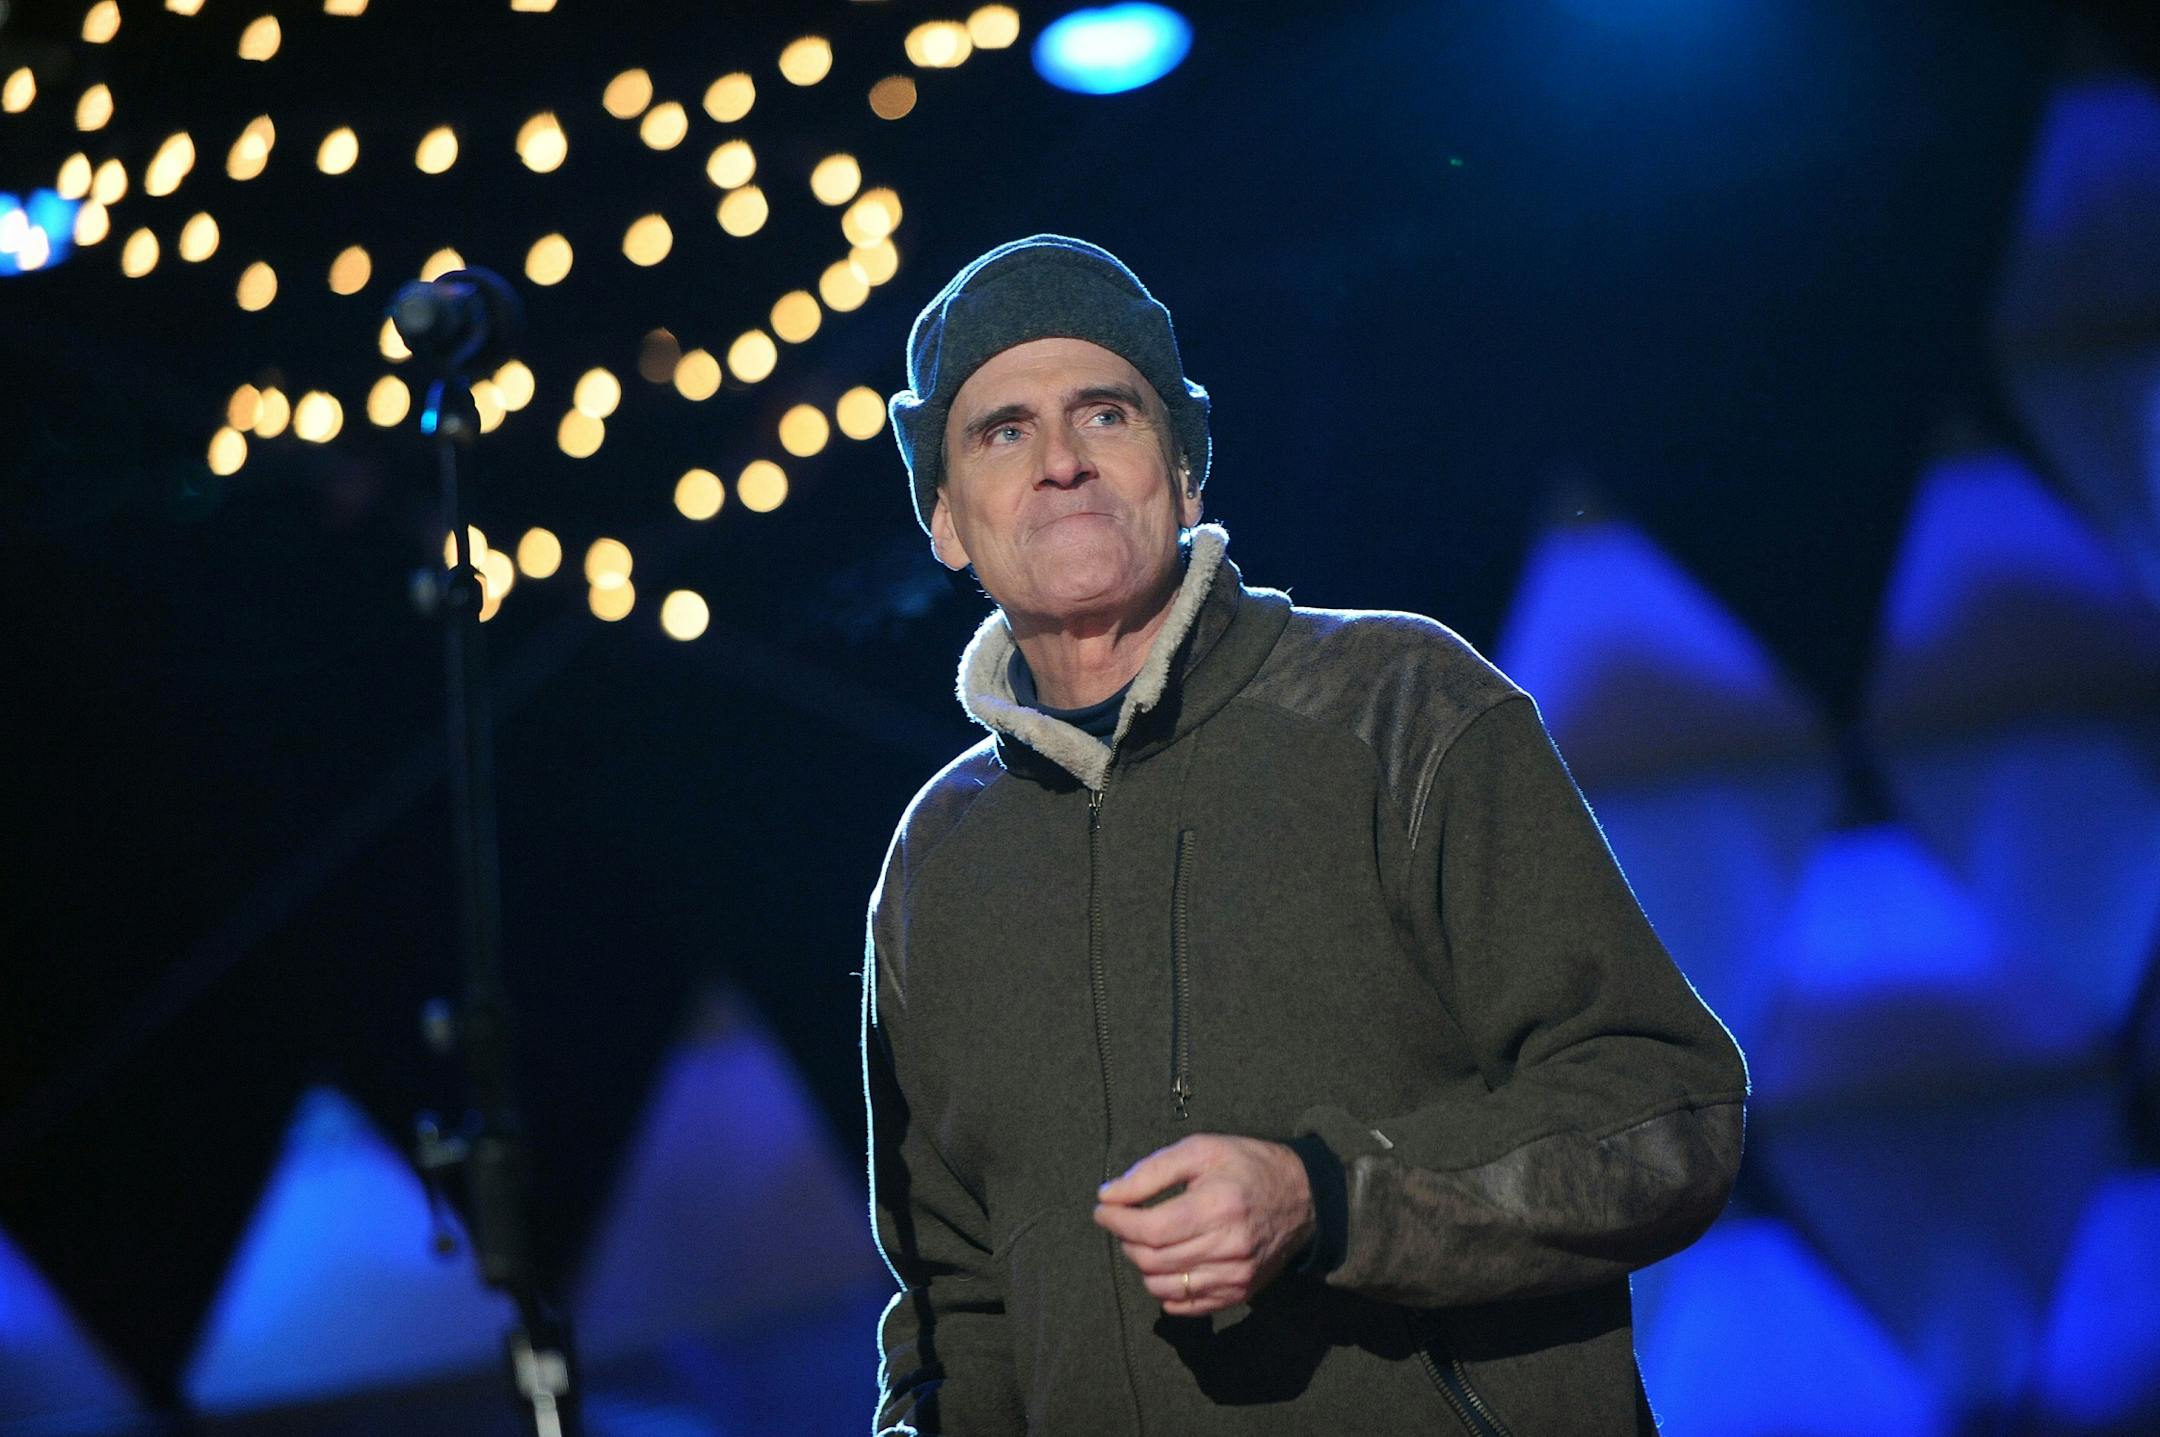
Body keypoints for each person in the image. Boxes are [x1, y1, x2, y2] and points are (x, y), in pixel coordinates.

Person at [862, 234, 1748, 1436]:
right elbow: (956, 1310)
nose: (1061, 463)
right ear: (946, 524)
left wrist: (1328, 1200)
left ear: (1185, 476)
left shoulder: (1399, 704)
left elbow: (1665, 1112)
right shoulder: (935, 865)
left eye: (1106, 414)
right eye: (1002, 432)